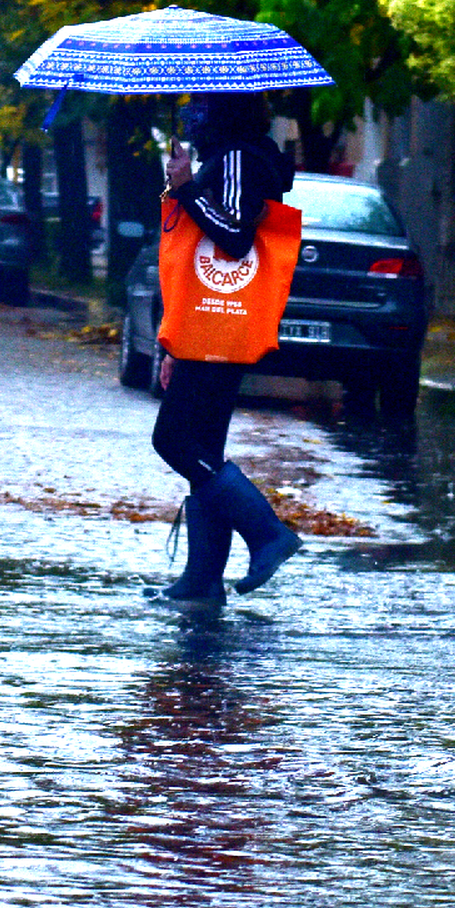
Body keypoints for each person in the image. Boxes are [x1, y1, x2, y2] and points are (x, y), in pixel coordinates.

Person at [150, 91, 301, 606]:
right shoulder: (226, 157)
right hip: (208, 321)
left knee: (174, 442)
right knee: (204, 451)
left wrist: (188, 189)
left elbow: (234, 238)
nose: (194, 114)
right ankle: (202, 581)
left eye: (202, 106)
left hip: (221, 322)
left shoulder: (238, 158)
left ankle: (267, 534)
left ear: (224, 112)